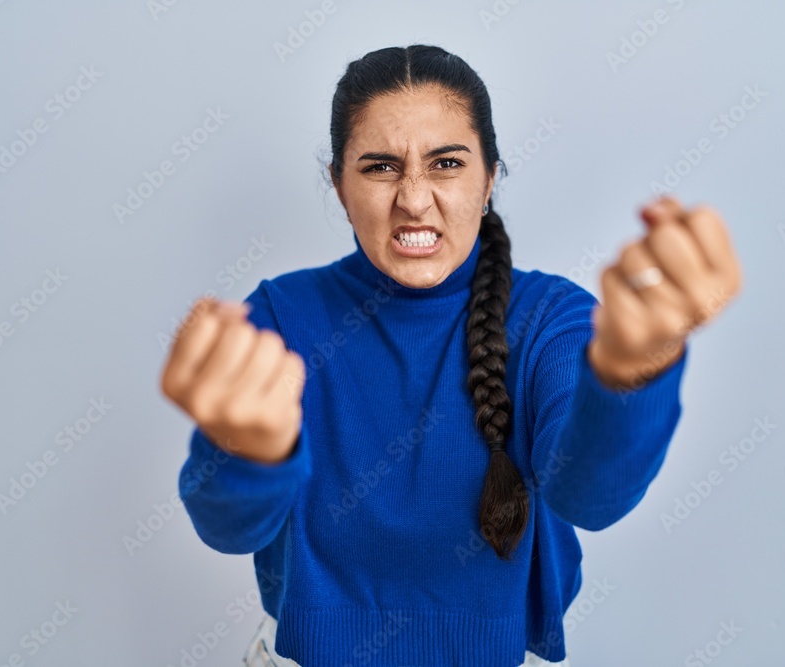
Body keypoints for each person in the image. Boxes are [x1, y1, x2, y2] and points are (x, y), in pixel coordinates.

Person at [160, 44, 742, 667]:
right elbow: (226, 530)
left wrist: (634, 373)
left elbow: (589, 499)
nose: (413, 198)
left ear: (489, 178)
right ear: (338, 184)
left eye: (446, 163)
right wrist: (248, 451)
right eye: (380, 167)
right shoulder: (280, 316)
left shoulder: (552, 318)